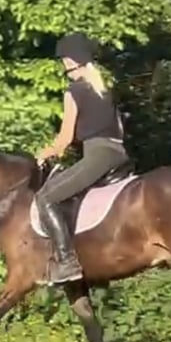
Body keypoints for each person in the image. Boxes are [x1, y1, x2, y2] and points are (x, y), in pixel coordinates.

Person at [35, 32, 130, 283]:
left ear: (70, 62)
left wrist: (42, 154)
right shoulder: (104, 91)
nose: (65, 67)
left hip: (98, 154)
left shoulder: (74, 92)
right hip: (119, 153)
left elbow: (64, 140)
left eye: (65, 62)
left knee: (45, 198)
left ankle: (67, 262)